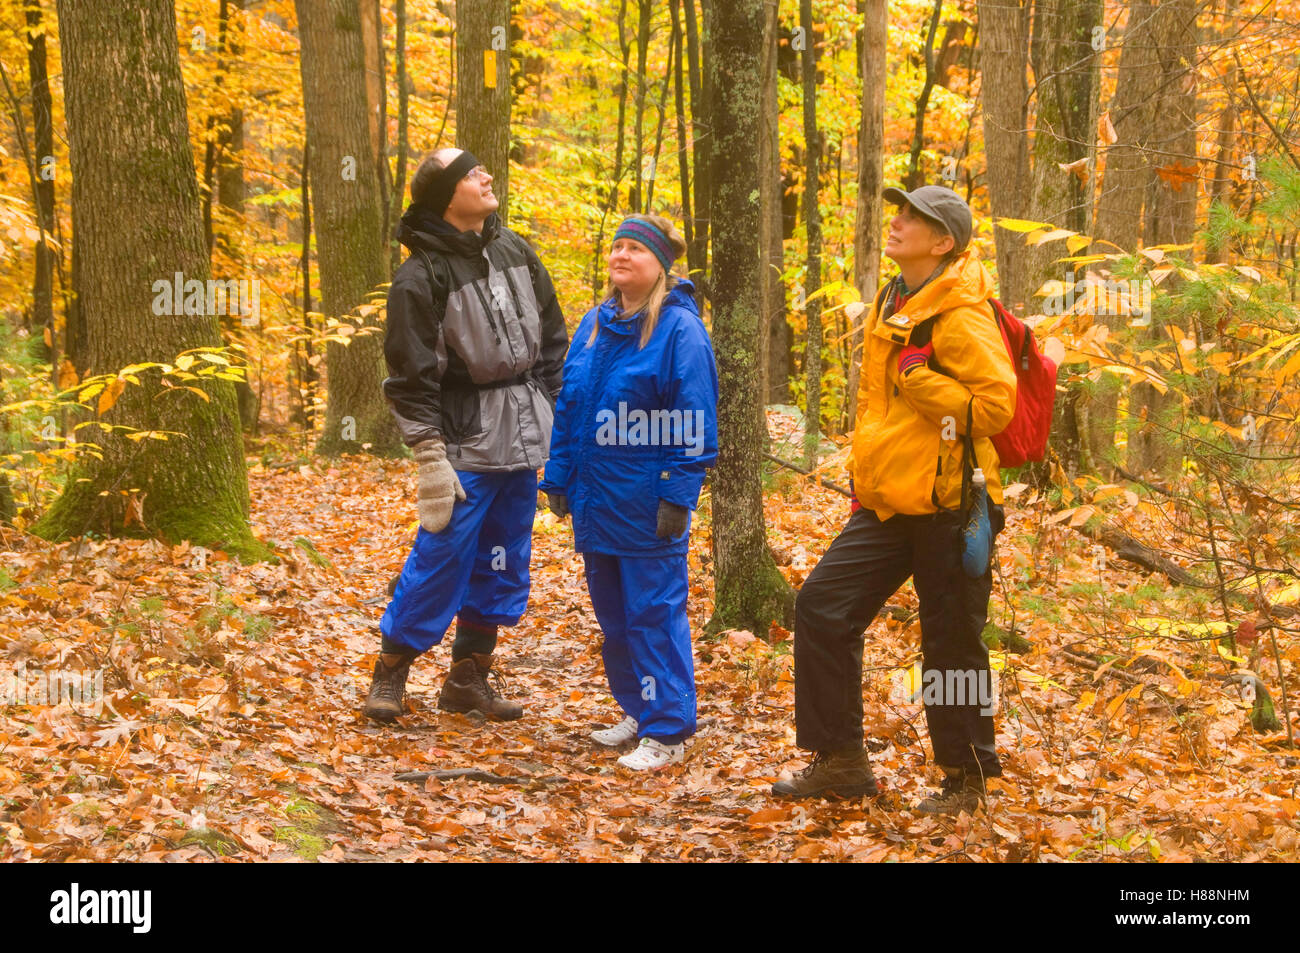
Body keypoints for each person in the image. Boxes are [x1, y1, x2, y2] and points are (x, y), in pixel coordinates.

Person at [771, 185, 1016, 813]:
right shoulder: (893, 298)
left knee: (951, 643)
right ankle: (843, 760)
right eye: (899, 211)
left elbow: (994, 407)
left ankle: (969, 781)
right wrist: (865, 472)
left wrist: (919, 379)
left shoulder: (962, 312)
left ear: (944, 242)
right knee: (823, 607)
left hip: (952, 504)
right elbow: (879, 407)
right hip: (887, 501)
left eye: (916, 218)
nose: (898, 221)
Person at [363, 148, 568, 724]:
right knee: (442, 554)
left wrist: (564, 417)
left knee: (504, 557)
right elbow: (409, 378)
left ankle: (467, 678)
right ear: (446, 196)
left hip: (527, 432)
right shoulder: (417, 278)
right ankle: (391, 672)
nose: (486, 177)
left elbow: (554, 341)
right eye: (472, 173)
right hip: (463, 440)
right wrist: (430, 458)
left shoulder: (515, 250)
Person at [540, 215, 718, 771]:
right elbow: (569, 407)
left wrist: (677, 492)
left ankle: (668, 729)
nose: (621, 255)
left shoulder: (679, 330)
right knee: (614, 615)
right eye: (617, 245)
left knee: (653, 613)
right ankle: (640, 711)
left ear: (660, 264)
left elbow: (695, 417)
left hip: (646, 501)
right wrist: (559, 474)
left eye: (635, 248)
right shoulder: (594, 324)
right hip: (597, 499)